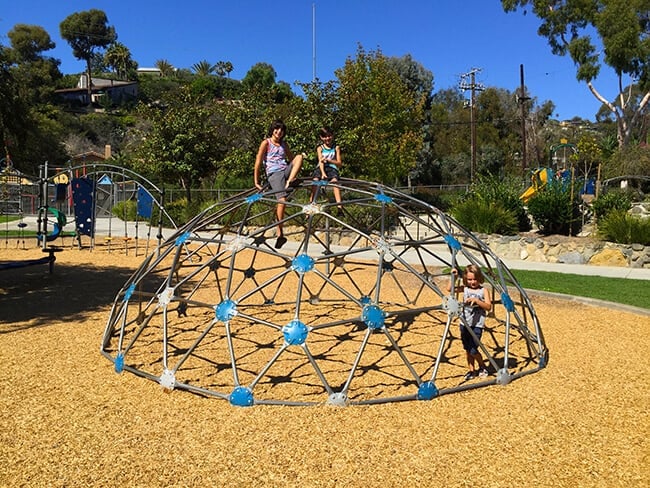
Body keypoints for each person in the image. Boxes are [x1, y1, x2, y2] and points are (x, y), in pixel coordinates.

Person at [254, 119, 304, 249]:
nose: (279, 132)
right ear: (272, 130)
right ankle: (279, 233)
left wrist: (293, 172)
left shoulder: (284, 144)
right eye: (277, 129)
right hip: (274, 174)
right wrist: (256, 182)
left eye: (282, 130)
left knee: (299, 157)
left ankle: (289, 181)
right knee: (281, 200)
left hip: (285, 172)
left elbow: (292, 159)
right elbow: (258, 162)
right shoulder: (266, 143)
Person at [448, 264, 492, 380]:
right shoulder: (465, 289)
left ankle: (482, 366)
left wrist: (477, 301)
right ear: (466, 279)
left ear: (479, 278)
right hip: (464, 323)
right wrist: (453, 277)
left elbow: (488, 307)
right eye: (470, 279)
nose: (473, 282)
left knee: (473, 349)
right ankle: (471, 371)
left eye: (475, 279)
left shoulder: (483, 290)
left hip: (477, 325)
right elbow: (449, 289)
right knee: (467, 350)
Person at [310, 126, 342, 208]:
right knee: (315, 181)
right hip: (320, 168)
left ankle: (339, 205)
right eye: (324, 136)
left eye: (329, 136)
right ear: (321, 137)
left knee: (335, 182)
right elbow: (320, 161)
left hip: (332, 168)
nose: (327, 138)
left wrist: (329, 160)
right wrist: (323, 173)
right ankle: (311, 204)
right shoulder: (320, 148)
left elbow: (339, 163)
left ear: (332, 135)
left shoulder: (336, 148)